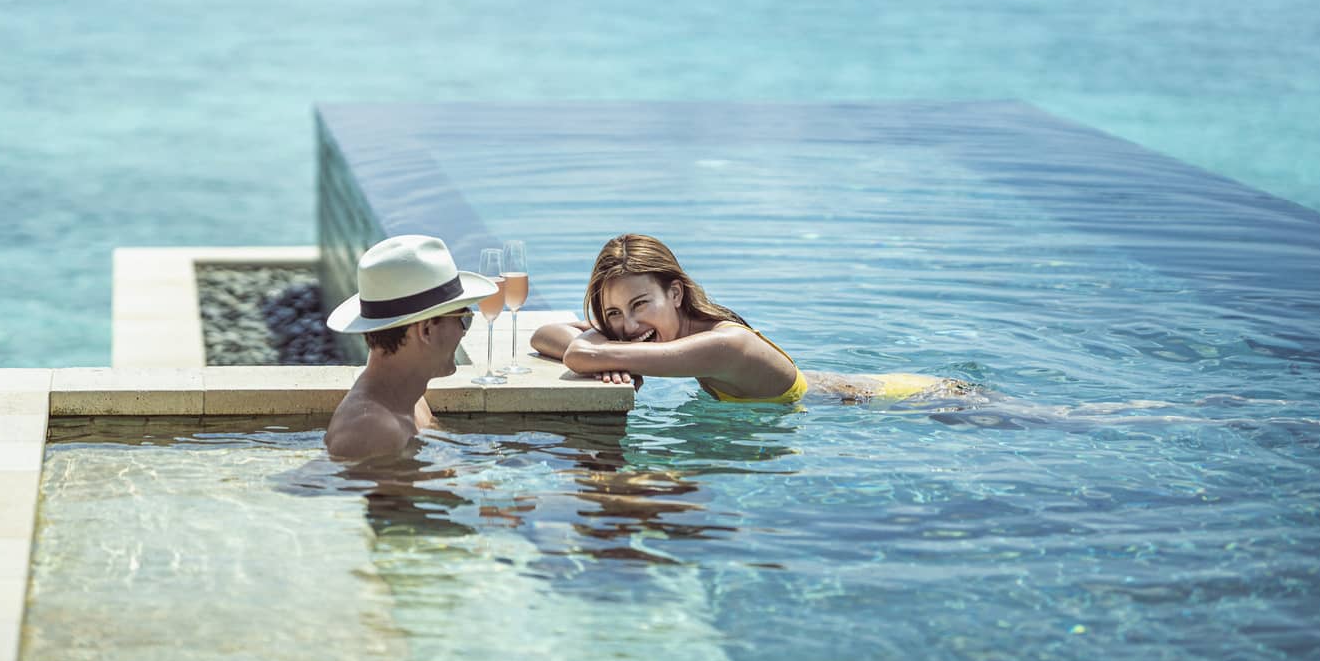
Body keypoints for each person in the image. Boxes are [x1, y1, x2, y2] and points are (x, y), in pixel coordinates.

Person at [530, 233, 969, 405]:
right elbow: (543, 335)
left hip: (917, 401)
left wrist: (606, 353)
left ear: (676, 292)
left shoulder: (723, 346)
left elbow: (577, 352)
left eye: (640, 304)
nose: (628, 326)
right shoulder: (670, 339)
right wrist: (611, 349)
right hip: (850, 392)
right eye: (614, 313)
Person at [325, 235, 497, 458]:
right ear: (426, 330)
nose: (463, 331)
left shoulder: (411, 402)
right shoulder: (374, 431)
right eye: (464, 317)